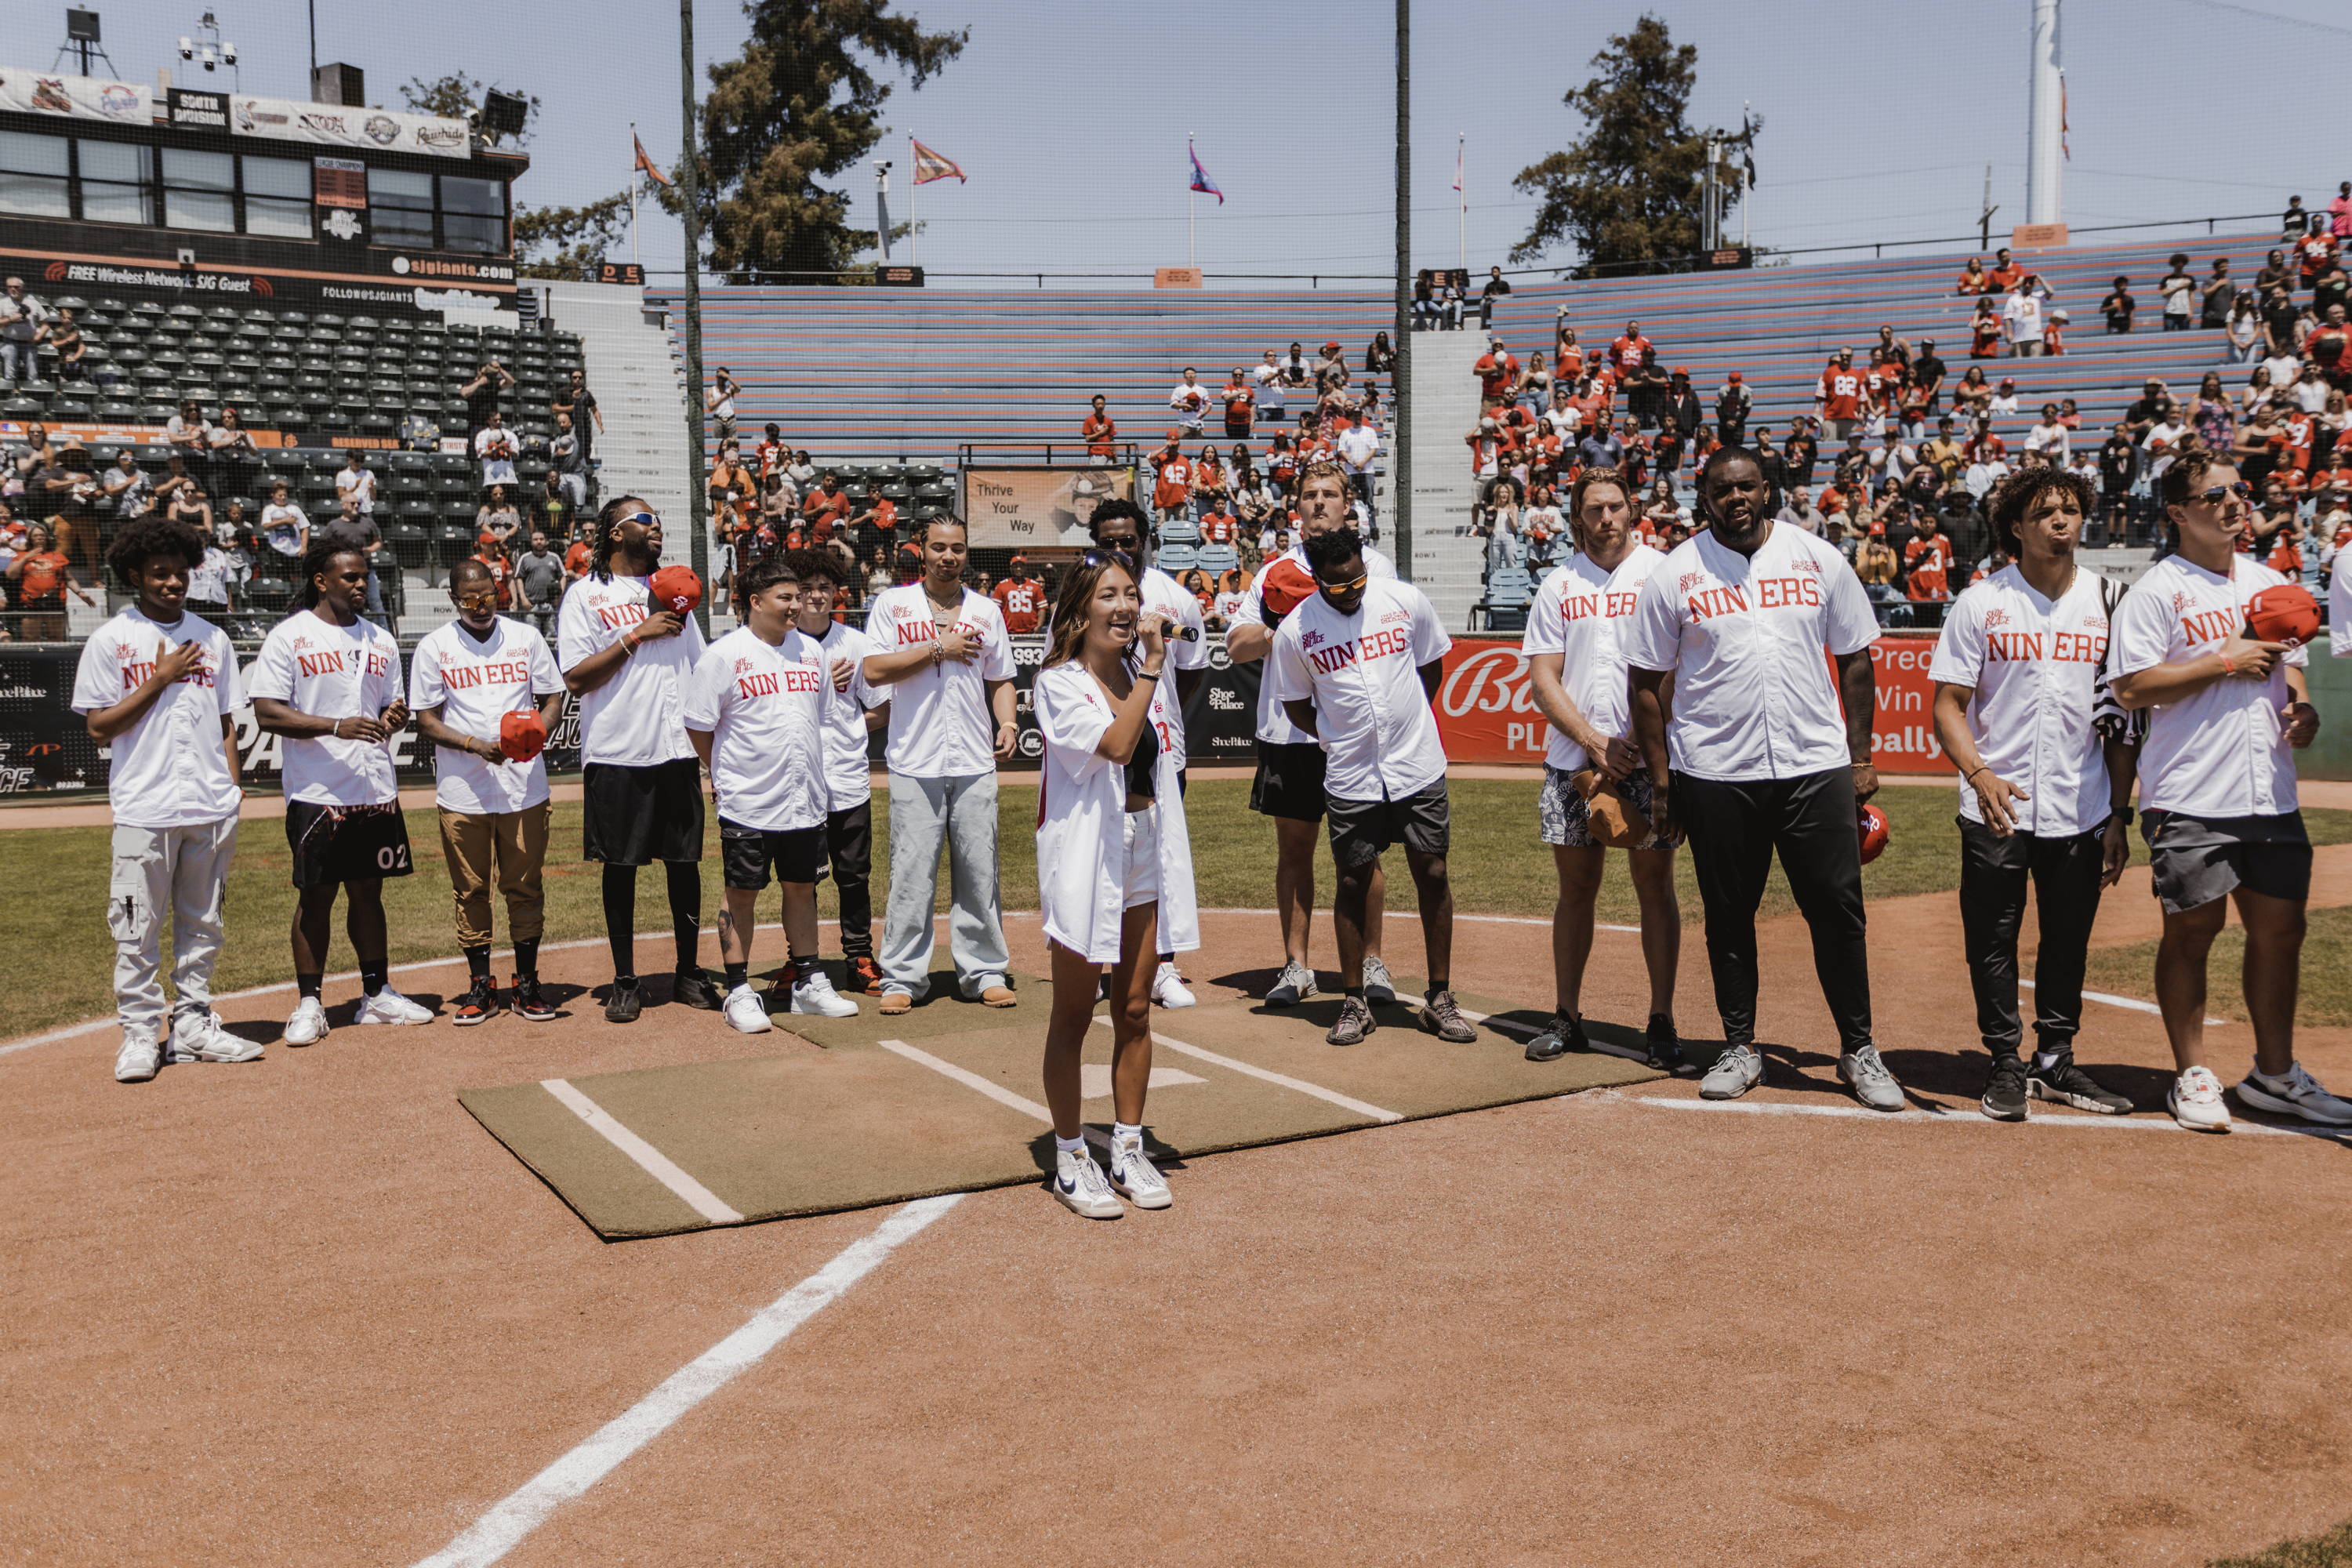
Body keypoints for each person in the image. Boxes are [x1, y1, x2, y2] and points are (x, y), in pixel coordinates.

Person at [1624, 447, 1903, 1111]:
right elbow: (1642, 682)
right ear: (1705, 498)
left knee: (1837, 911)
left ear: (1768, 490)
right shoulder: (1676, 573)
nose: (1736, 499)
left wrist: (1860, 759)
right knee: (1728, 916)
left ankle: (1859, 1049)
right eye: (1722, 490)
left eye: (1747, 487)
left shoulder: (1817, 557)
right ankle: (1741, 1046)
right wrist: (1663, 783)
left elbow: (1856, 660)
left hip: (1814, 766)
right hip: (1716, 771)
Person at [2111, 453, 2350, 1131]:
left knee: (2283, 931)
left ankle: (2276, 1077)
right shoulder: (2157, 590)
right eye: (2214, 494)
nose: (2234, 501)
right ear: (2179, 513)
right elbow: (2129, 687)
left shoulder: (2273, 582)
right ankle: (2191, 1073)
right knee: (2193, 929)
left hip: (2269, 793)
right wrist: (2224, 660)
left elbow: (2293, 674)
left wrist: (2303, 714)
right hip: (2189, 790)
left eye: (2239, 489)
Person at [1930, 468, 2141, 1121]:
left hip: (2080, 805)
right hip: (1998, 807)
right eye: (2046, 511)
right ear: (2015, 528)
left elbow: (2121, 722)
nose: (2061, 521)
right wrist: (1979, 774)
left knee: (2067, 937)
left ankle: (2056, 1062)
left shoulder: (2109, 602)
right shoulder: (1982, 602)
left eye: (2072, 510)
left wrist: (2118, 815)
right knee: (1992, 938)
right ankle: (2003, 1063)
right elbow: (1947, 706)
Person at [1032, 553, 1200, 1218]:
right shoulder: (1057, 683)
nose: (1127, 606)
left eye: (1132, 593)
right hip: (1086, 856)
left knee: (1134, 1007)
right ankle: (1071, 1154)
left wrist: (1151, 668)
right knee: (1074, 1013)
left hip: (1144, 846)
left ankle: (1128, 1145)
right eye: (1110, 595)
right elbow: (1119, 747)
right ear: (1080, 611)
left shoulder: (1139, 673)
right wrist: (1154, 670)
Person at [1267, 527, 1474, 1047]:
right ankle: (1354, 1002)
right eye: (1337, 586)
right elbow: (1295, 703)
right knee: (1353, 881)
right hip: (1352, 774)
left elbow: (1431, 669)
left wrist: (1408, 725)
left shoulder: (1404, 600)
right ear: (1317, 580)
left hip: (1417, 766)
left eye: (1357, 579)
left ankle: (1440, 998)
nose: (1351, 590)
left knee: (1433, 871)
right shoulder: (1296, 632)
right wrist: (1338, 736)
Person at [71, 516, 258, 1082]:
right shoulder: (111, 639)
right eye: (160, 574)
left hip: (209, 805)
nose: (173, 583)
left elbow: (227, 720)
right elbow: (100, 728)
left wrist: (231, 785)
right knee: (135, 927)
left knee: (203, 925)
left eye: (180, 574)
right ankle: (138, 1034)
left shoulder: (213, 637)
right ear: (136, 575)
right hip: (143, 808)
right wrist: (160, 677)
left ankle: (193, 1026)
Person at [1519, 466, 1682, 1068]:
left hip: (1651, 765)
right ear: (1576, 516)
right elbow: (1544, 679)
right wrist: (1594, 743)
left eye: (1615, 507)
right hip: (1575, 764)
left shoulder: (1664, 572)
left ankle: (1661, 1019)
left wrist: (1641, 744)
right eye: (1594, 509)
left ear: (1633, 508)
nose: (1606, 519)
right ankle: (1566, 1015)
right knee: (1576, 891)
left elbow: (1678, 669)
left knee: (1655, 890)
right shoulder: (1559, 584)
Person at [1225, 463, 1401, 1007]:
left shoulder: (1376, 567)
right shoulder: (1273, 572)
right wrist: (1285, 621)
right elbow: (1237, 646)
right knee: (1294, 852)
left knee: (1363, 854)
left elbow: (1391, 637)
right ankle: (1296, 966)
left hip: (1353, 734)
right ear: (1295, 507)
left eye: (1329, 494)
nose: (1319, 502)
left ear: (1348, 504)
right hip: (1287, 733)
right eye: (1309, 495)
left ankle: (1373, 964)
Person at [248, 543, 433, 1044]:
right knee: (316, 897)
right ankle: (310, 1003)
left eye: (364, 576)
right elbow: (267, 711)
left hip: (373, 784)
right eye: (350, 576)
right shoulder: (290, 637)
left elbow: (393, 706)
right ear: (321, 581)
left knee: (369, 893)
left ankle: (377, 995)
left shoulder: (381, 639)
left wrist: (394, 717)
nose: (360, 583)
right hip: (316, 789)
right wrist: (335, 725)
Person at [558, 496, 720, 1024]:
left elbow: (702, 670)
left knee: (684, 865)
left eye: (659, 522)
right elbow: (577, 678)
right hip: (617, 751)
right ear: (613, 531)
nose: (657, 529)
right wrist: (635, 635)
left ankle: (689, 972)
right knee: (621, 868)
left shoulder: (672, 592)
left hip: (675, 750)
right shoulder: (585, 596)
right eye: (646, 520)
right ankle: (625, 981)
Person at [683, 554, 860, 1031]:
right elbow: (700, 727)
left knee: (802, 889)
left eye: (798, 596)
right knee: (741, 894)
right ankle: (739, 990)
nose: (797, 605)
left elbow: (819, 716)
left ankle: (808, 982)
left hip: (805, 799)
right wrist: (724, 772)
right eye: (786, 597)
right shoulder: (724, 655)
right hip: (750, 800)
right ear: (755, 602)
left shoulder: (812, 651)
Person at [858, 514, 1020, 1014]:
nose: (948, 556)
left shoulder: (986, 610)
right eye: (939, 548)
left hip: (973, 758)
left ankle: (984, 970)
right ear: (920, 551)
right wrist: (937, 649)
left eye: (958, 548)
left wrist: (1009, 724)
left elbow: (1002, 679)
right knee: (912, 873)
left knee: (978, 871)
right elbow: (874, 668)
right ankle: (903, 976)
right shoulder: (893, 604)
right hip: (913, 758)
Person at [408, 559, 568, 1025]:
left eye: (488, 596)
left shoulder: (526, 637)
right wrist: (475, 745)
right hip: (463, 789)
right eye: (469, 600)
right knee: (471, 889)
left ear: (499, 591)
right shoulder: (436, 646)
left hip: (524, 786)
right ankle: (481, 984)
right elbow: (427, 719)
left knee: (524, 887)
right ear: (454, 600)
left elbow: (553, 698)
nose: (480, 607)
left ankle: (527, 983)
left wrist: (535, 733)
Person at [1085, 498, 1210, 1008]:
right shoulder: (1079, 598)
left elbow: (1196, 671)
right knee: (1097, 856)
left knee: (1160, 858)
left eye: (1128, 540)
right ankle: (1095, 963)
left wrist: (1169, 727)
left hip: (1160, 748)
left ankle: (1161, 968)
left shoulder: (1175, 598)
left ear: (1145, 542)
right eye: (1108, 542)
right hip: (1100, 747)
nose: (1119, 549)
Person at [784, 549, 889, 995]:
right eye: (806, 589)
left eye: (824, 588)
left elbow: (881, 711)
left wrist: (846, 721)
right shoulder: (780, 645)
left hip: (847, 777)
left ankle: (860, 956)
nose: (815, 597)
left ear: (836, 593)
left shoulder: (856, 643)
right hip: (796, 782)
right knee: (799, 879)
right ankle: (800, 960)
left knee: (853, 875)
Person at [5, 522, 93, 639]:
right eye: (36, 536)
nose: (39, 538)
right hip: (31, 602)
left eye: (42, 535)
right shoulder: (22, 555)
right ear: (30, 538)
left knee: (56, 637)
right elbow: (11, 575)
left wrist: (80, 593)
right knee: (31, 637)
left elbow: (69, 579)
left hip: (54, 601)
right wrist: (27, 557)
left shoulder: (57, 556)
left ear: (47, 537)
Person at [513, 530, 564, 637]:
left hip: (550, 606)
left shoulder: (554, 557)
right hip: (531, 606)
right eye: (536, 539)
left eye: (541, 539)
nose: (539, 542)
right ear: (531, 542)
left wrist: (559, 595)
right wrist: (523, 598)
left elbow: (563, 576)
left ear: (546, 541)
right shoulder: (525, 558)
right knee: (532, 637)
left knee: (552, 638)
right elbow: (519, 578)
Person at [992, 554, 1046, 635]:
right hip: (1008, 633)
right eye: (1015, 566)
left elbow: (1042, 608)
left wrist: (1039, 626)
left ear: (1025, 568)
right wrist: (999, 627)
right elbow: (995, 609)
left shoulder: (1035, 586)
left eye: (1021, 566)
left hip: (1031, 632)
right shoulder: (1001, 586)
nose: (1019, 569)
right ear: (1011, 568)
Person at [474, 410, 519, 492]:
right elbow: (482, 454)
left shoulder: (510, 435)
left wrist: (505, 449)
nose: (498, 422)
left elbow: (516, 454)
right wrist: (497, 449)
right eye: (495, 420)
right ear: (488, 421)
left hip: (509, 478)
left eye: (500, 420)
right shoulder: (482, 435)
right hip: (491, 478)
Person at [706, 367, 739, 446]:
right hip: (718, 419)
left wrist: (727, 377)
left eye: (723, 378)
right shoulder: (711, 390)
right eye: (719, 377)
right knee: (717, 444)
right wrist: (722, 397)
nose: (721, 380)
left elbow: (739, 388)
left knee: (733, 443)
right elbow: (710, 407)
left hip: (731, 418)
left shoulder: (730, 388)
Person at [1081, 394, 1118, 463]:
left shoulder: (1109, 421)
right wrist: (1100, 433)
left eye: (1102, 404)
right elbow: (1088, 439)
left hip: (1109, 454)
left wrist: (1115, 455)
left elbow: (1112, 439)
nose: (1100, 406)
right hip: (1096, 454)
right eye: (1098, 404)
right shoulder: (1089, 420)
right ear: (1093, 405)